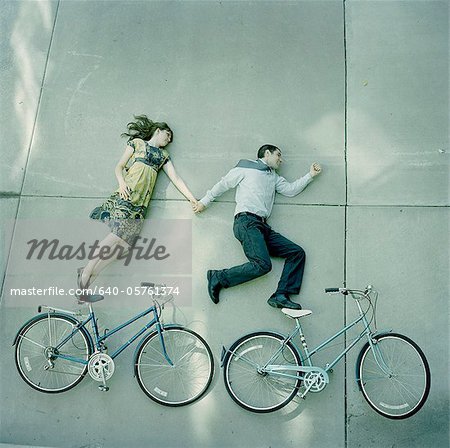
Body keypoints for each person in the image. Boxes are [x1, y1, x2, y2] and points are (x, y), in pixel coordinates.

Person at [77, 115, 198, 302]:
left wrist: (192, 199)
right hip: (127, 195)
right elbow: (119, 166)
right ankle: (86, 274)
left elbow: (177, 179)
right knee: (116, 236)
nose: (168, 141)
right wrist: (122, 183)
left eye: (170, 140)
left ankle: (91, 272)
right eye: (167, 136)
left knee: (124, 247)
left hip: (141, 205)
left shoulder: (163, 157)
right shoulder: (137, 143)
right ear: (158, 131)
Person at [194, 144, 321, 309]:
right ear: (267, 153)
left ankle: (281, 295)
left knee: (296, 253)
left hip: (262, 227)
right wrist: (204, 202)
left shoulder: (273, 176)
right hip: (246, 222)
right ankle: (218, 276)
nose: (281, 160)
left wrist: (310, 175)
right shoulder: (246, 167)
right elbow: (223, 184)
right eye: (278, 155)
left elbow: (290, 190)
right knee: (262, 264)